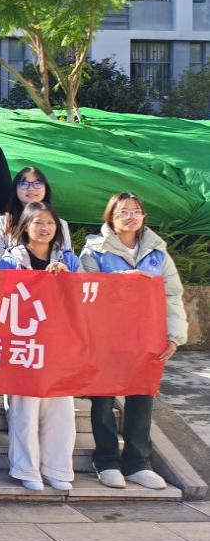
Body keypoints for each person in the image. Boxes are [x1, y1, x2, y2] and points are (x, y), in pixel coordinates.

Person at [80, 192, 187, 490]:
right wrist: (123, 280)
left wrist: (174, 336)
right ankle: (106, 461)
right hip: (107, 338)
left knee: (142, 397)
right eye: (123, 212)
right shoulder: (94, 251)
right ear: (110, 217)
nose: (131, 216)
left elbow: (172, 295)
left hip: (147, 337)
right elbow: (86, 292)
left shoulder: (157, 252)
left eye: (136, 211)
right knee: (103, 399)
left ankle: (137, 462)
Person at [0, 201, 80, 491]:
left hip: (59, 344)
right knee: (25, 409)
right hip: (24, 344)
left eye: (50, 223)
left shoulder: (69, 260)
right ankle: (26, 468)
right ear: (25, 226)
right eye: (38, 222)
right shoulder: (10, 260)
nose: (44, 228)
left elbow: (85, 296)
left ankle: (58, 468)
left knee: (61, 409)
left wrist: (67, 279)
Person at [0, 166, 72, 264]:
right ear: (15, 189)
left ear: (46, 188)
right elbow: (0, 260)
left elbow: (68, 259)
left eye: (37, 183)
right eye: (24, 184)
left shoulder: (61, 224)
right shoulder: (0, 222)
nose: (31, 188)